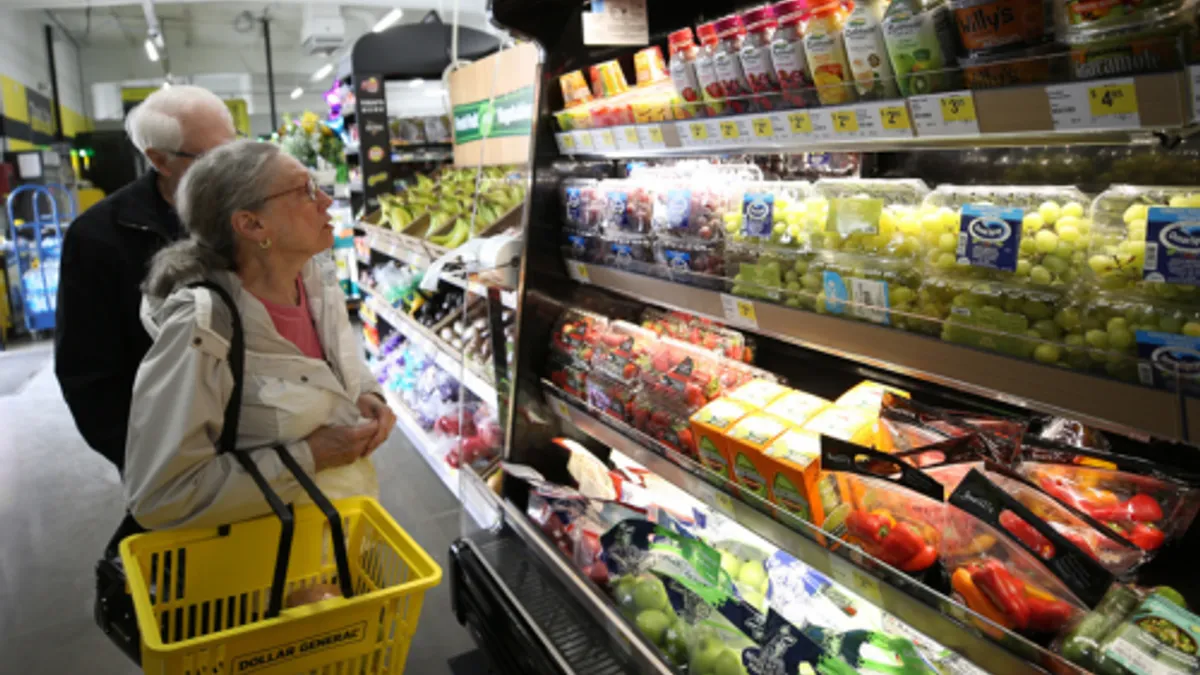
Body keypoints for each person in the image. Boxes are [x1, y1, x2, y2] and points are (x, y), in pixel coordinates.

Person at [124, 140, 396, 530]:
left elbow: (336, 355)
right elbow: (163, 494)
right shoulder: (204, 325)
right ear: (252, 224)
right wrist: (308, 457)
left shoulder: (314, 275)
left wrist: (366, 394)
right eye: (305, 190)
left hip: (341, 531)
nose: (325, 201)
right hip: (269, 566)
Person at [56, 85, 237, 473]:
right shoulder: (99, 237)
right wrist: (143, 457)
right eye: (213, 156)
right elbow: (87, 369)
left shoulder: (252, 208)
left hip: (264, 437)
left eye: (234, 146)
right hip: (169, 446)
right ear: (160, 160)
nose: (232, 165)